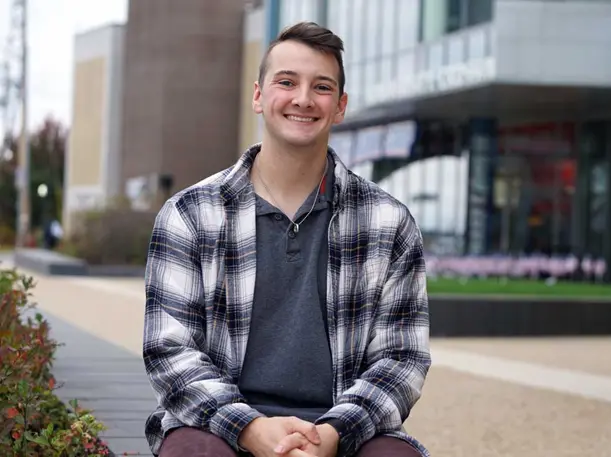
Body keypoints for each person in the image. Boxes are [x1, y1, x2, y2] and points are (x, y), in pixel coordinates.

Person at [141, 21, 431, 457]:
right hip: (221, 426)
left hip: (343, 433)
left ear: (340, 106)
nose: (303, 99)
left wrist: (330, 435)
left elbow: (401, 359)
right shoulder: (190, 215)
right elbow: (168, 350)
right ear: (258, 96)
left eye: (322, 87)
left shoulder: (389, 223)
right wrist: (252, 429)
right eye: (286, 82)